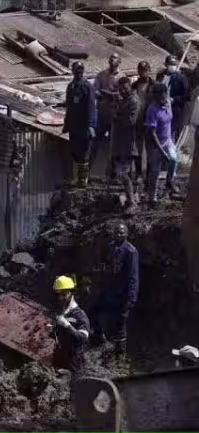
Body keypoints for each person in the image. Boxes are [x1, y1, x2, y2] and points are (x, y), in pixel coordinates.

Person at [88, 222, 139, 355]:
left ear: (127, 234)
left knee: (120, 324)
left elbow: (133, 277)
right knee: (93, 311)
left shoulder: (131, 251)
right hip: (109, 290)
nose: (118, 235)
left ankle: (119, 355)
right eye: (116, 232)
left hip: (122, 294)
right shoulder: (111, 247)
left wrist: (131, 298)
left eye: (121, 232)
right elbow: (107, 265)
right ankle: (98, 339)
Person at [63, 61, 97, 187]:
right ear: (72, 71)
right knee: (75, 151)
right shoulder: (71, 86)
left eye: (80, 70)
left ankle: (83, 180)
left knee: (84, 153)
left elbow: (91, 107)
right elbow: (69, 106)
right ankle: (76, 178)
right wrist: (66, 124)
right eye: (76, 70)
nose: (78, 72)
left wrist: (90, 125)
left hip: (84, 126)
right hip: (74, 125)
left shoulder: (87, 86)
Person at [145, 83, 180, 205]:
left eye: (164, 95)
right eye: (159, 96)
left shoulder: (168, 103)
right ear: (155, 96)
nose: (162, 98)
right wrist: (162, 151)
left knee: (173, 160)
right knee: (155, 172)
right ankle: (152, 197)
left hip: (168, 140)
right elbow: (152, 134)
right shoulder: (152, 110)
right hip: (155, 145)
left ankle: (169, 181)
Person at [111, 76, 140, 212]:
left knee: (123, 173)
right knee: (122, 173)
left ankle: (132, 202)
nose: (122, 91)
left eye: (125, 88)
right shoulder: (123, 101)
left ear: (130, 87)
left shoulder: (134, 101)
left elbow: (130, 121)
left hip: (129, 143)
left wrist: (117, 115)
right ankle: (131, 198)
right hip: (120, 143)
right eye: (120, 89)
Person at [51, 276, 90, 374]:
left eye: (64, 294)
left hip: (74, 361)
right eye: (59, 294)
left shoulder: (79, 315)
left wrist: (67, 326)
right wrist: (53, 329)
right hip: (61, 357)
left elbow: (82, 338)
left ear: (71, 293)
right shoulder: (63, 310)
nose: (61, 298)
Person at [93, 53, 122, 173]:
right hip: (102, 115)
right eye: (111, 57)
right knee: (95, 142)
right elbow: (95, 91)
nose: (112, 59)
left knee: (113, 145)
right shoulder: (101, 75)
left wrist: (105, 93)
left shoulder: (122, 77)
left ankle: (112, 172)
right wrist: (108, 95)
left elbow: (120, 95)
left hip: (115, 116)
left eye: (115, 57)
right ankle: (88, 170)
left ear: (119, 61)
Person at [132, 60, 155, 181]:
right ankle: (139, 173)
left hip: (150, 119)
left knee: (150, 147)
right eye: (141, 70)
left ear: (149, 71)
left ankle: (150, 173)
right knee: (137, 148)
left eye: (145, 70)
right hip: (138, 119)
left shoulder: (154, 85)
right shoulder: (134, 85)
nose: (143, 72)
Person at [157, 55, 189, 140]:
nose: (172, 66)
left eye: (174, 64)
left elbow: (186, 96)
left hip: (174, 109)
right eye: (170, 64)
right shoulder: (160, 76)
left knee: (172, 132)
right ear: (166, 64)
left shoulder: (181, 78)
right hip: (160, 108)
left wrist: (174, 99)